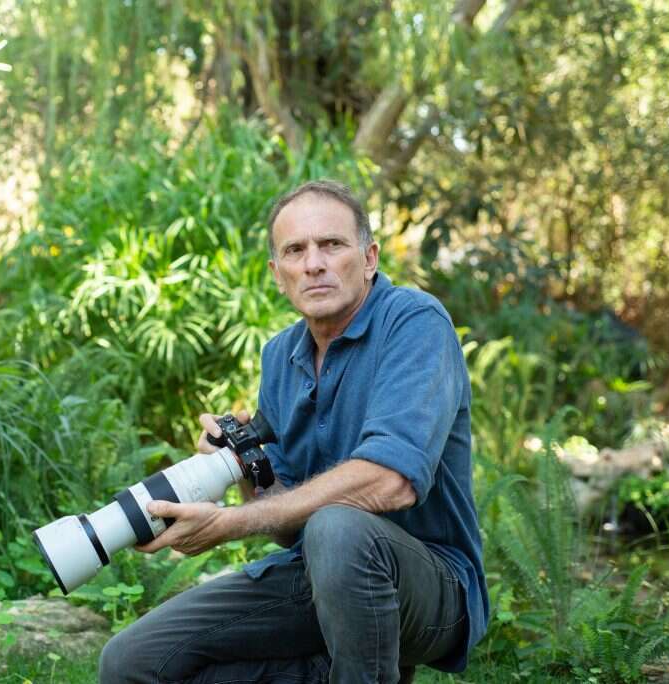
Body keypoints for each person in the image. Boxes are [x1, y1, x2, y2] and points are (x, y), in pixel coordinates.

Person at [99, 180, 488, 684]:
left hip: (432, 591)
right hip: (314, 577)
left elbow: (391, 481)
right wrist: (242, 465)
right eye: (295, 250)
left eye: (332, 244)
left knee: (337, 528)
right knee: (130, 661)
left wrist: (231, 523)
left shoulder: (414, 322)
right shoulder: (280, 355)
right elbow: (285, 525)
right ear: (277, 275)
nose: (314, 264)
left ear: (369, 258)